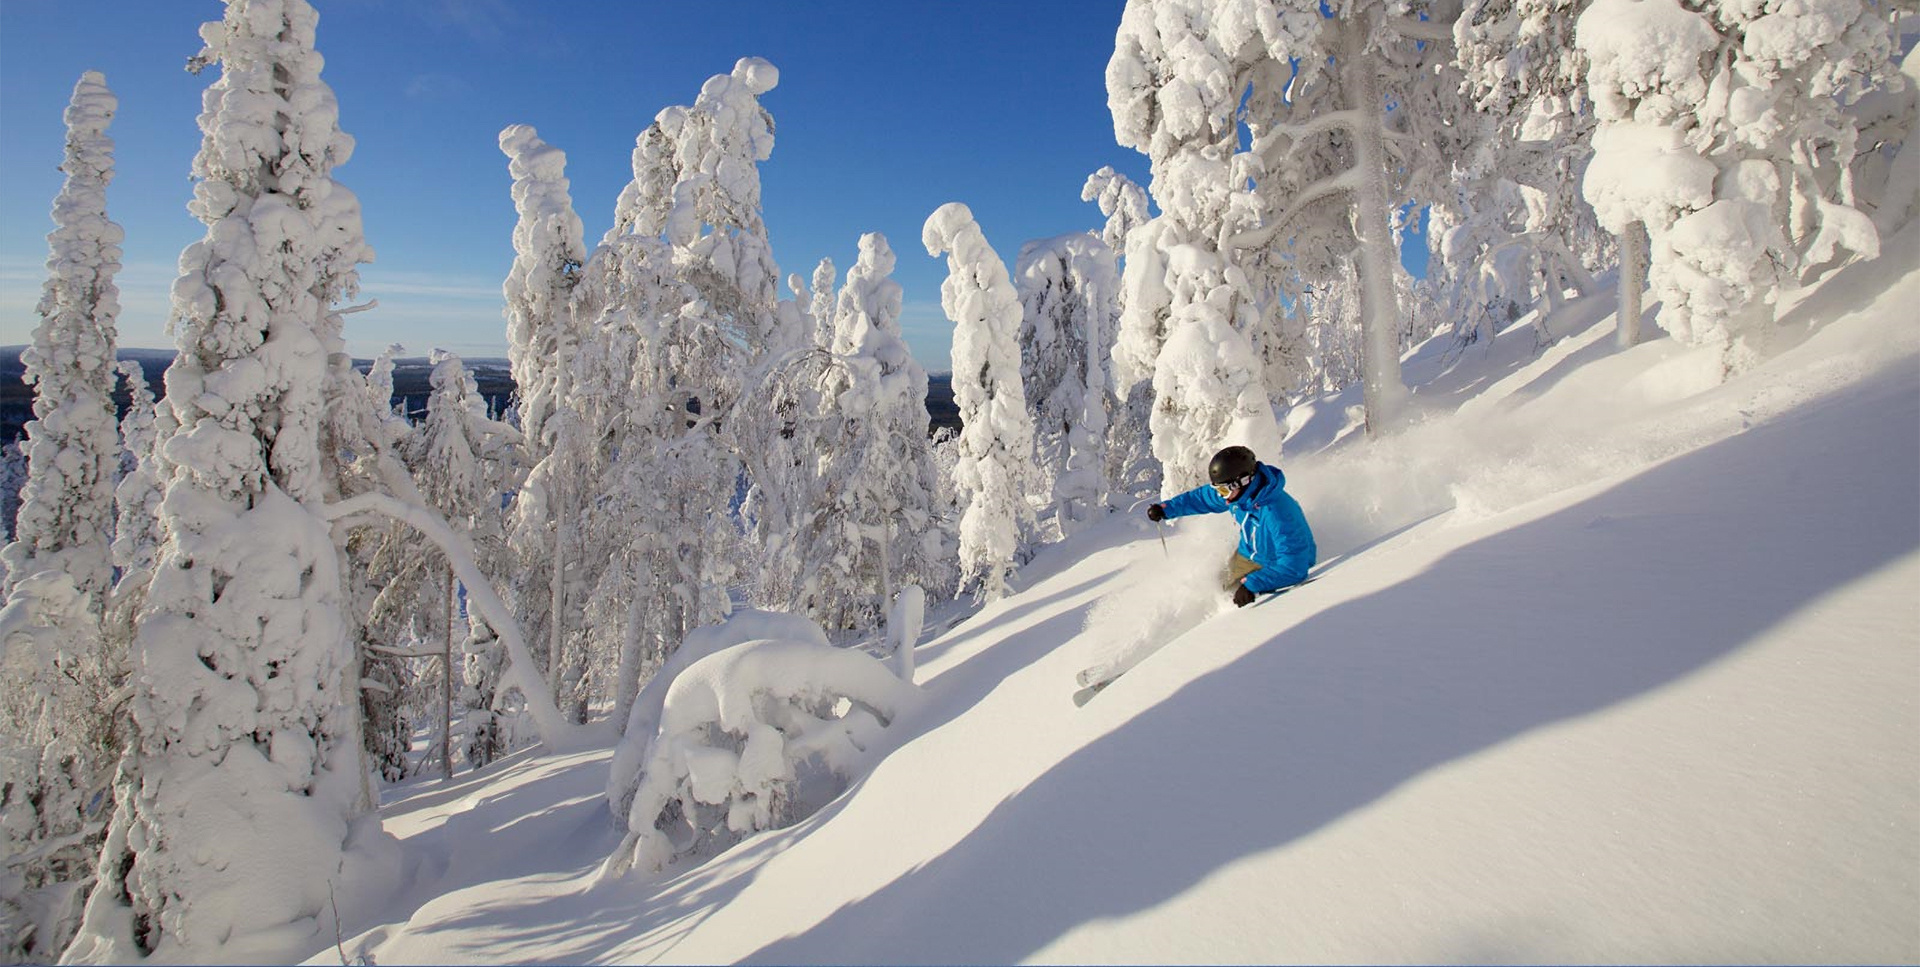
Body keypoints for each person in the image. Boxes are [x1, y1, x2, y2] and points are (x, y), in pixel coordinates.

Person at [1147, 445, 1316, 607]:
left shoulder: (1277, 512)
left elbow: (1294, 567)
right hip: (1247, 557)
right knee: (1215, 587)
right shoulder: (1241, 495)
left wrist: (1253, 584)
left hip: (1273, 569)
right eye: (1220, 491)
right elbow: (1202, 498)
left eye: (1224, 491)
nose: (1224, 498)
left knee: (1234, 602)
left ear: (1242, 482)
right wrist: (1166, 509)